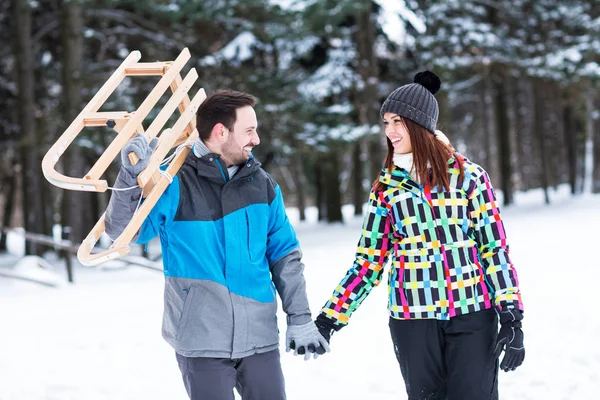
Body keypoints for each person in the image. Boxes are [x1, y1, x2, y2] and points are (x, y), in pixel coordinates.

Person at [308, 71, 525, 400]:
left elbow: (494, 249)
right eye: (385, 123)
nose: (389, 131)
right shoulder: (387, 189)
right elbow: (369, 262)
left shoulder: (469, 178)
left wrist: (511, 315)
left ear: (420, 124)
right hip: (413, 320)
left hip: (472, 312)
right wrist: (329, 318)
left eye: (397, 121)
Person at [104, 89, 329, 400]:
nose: (257, 139)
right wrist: (131, 176)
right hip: (201, 338)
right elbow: (122, 233)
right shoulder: (175, 184)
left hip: (259, 338)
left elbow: (285, 257)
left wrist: (300, 317)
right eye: (249, 130)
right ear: (221, 132)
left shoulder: (263, 186)